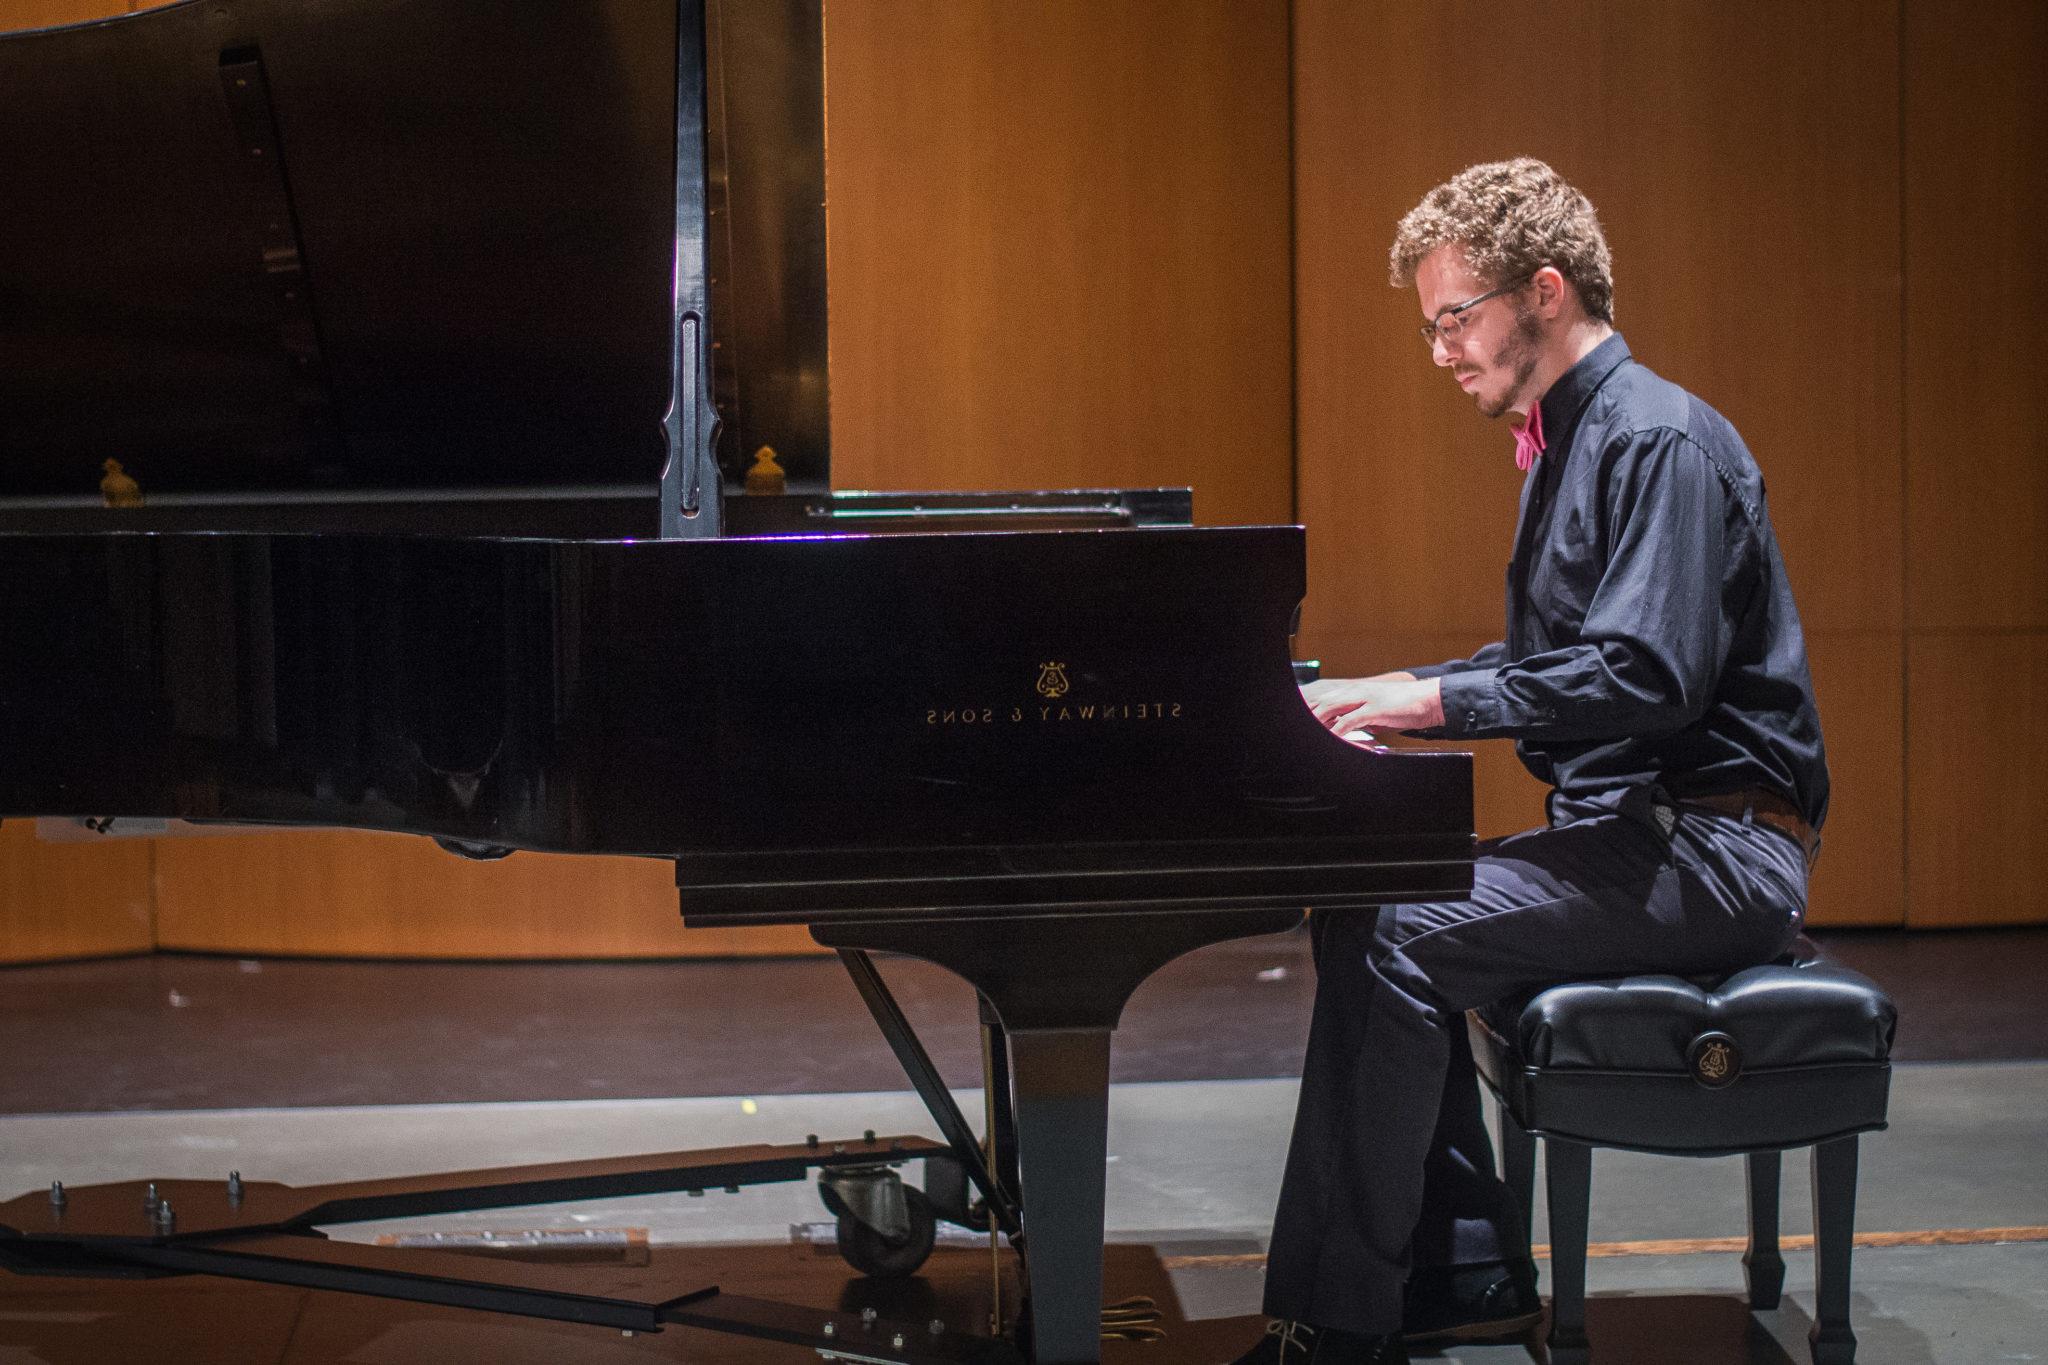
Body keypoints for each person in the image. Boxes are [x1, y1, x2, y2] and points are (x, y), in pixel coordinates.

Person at [1229, 158, 1829, 1364]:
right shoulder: (1572, 444)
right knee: (1370, 897)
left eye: (1454, 317)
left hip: (1717, 850)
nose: (1440, 349)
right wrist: (1398, 697)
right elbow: (1560, 660)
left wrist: (1427, 699)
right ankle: (1457, 1276)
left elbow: (1645, 676)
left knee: (1399, 927)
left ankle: (1337, 1331)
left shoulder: (1655, 440)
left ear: (1542, 292)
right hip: (1645, 839)